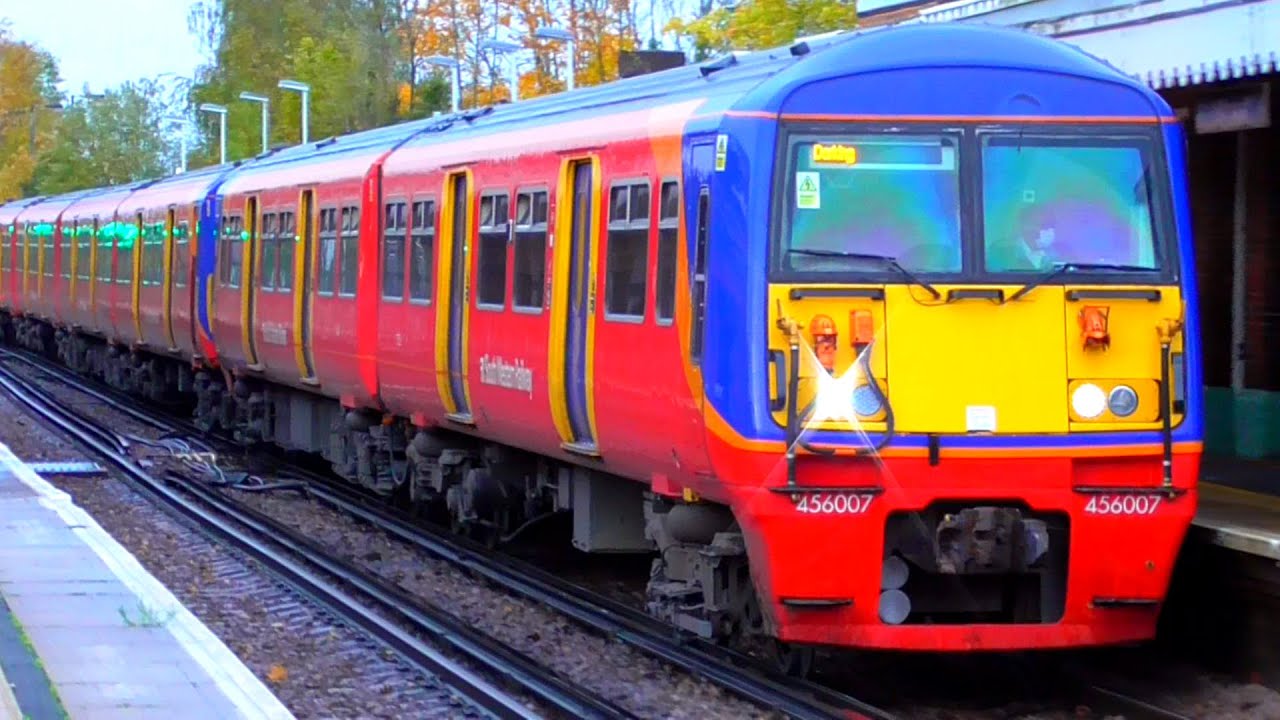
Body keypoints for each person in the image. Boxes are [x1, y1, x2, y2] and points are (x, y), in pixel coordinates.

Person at [986, 215, 1059, 272]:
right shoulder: (1001, 251)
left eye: (1052, 227)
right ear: (1027, 228)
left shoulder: (1056, 253)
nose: (1050, 232)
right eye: (1045, 227)